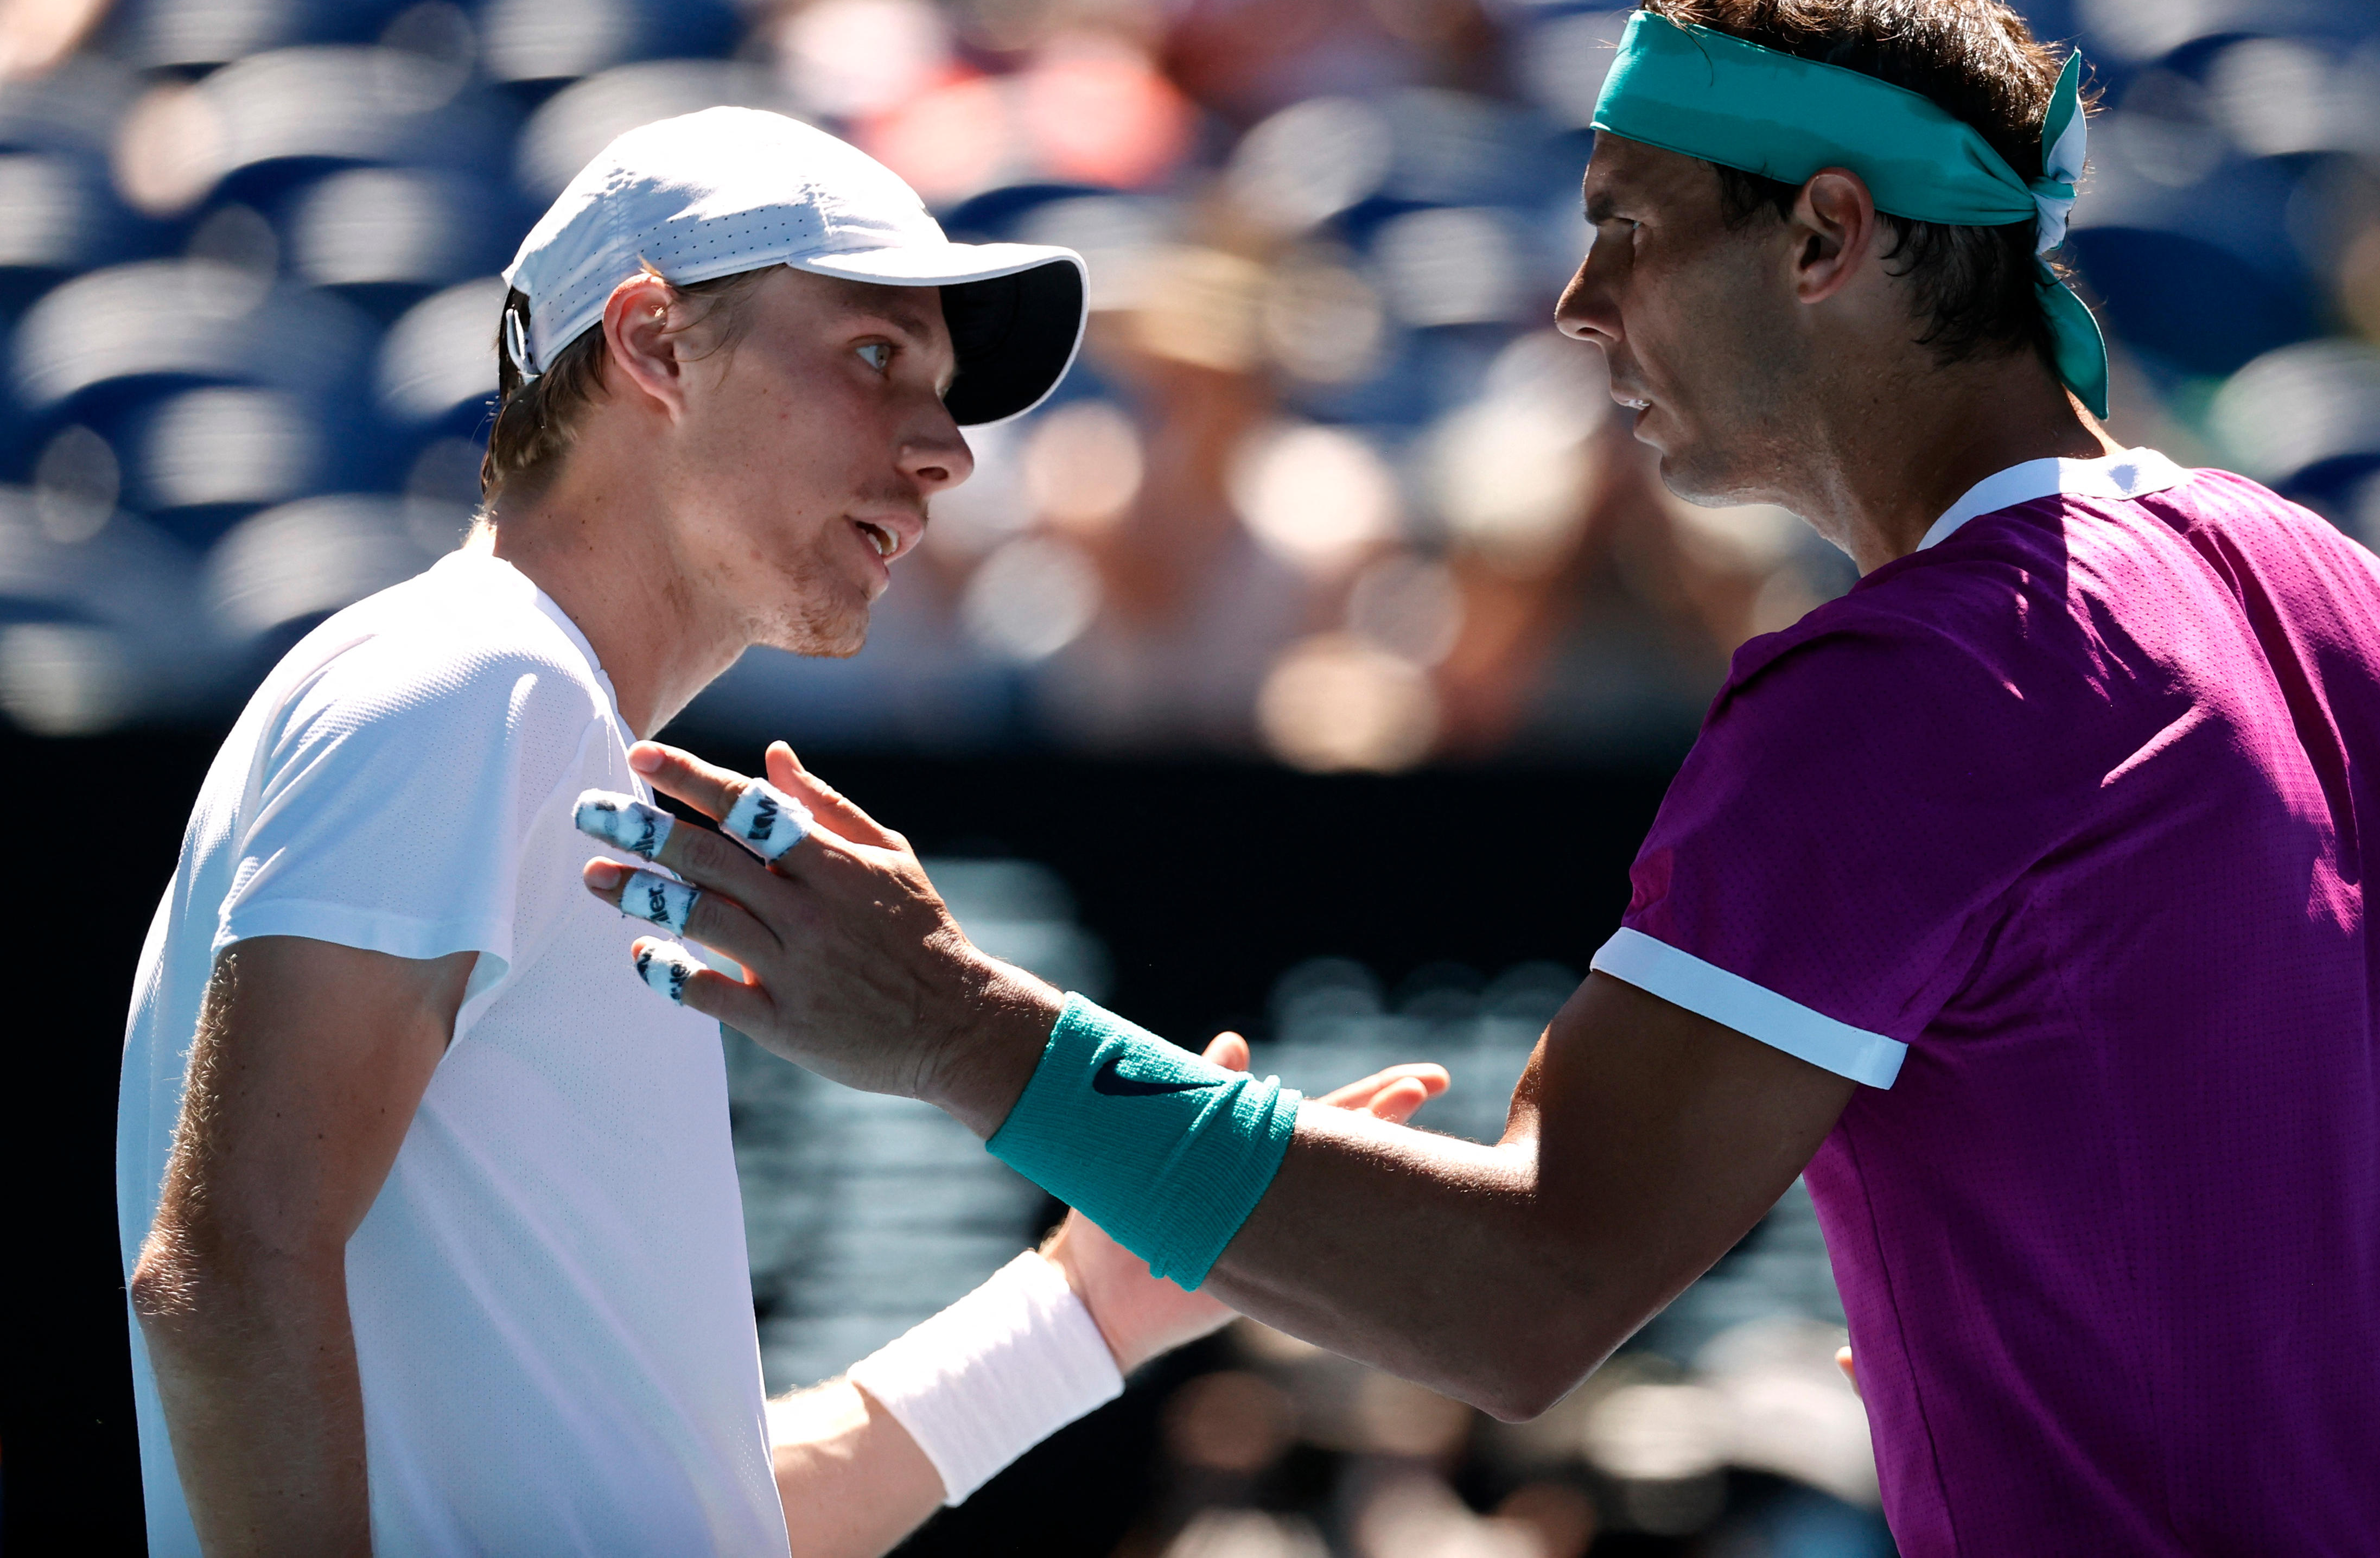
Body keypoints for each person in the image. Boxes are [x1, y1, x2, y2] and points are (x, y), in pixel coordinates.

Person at [576, 0, 2380, 1556]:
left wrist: (955, 1021)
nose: (1578, 307)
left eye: (1620, 233)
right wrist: (2281, 1355)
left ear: (1828, 242)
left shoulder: (1909, 689)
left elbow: (1523, 1290)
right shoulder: (2358, 606)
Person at [116, 105, 1446, 1558]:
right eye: (878, 359)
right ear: (655, 346)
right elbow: (227, 1269)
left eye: (943, 391)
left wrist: (1085, 1314)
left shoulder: (510, 706)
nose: (948, 452)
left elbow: (698, 1526)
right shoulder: (478, 685)